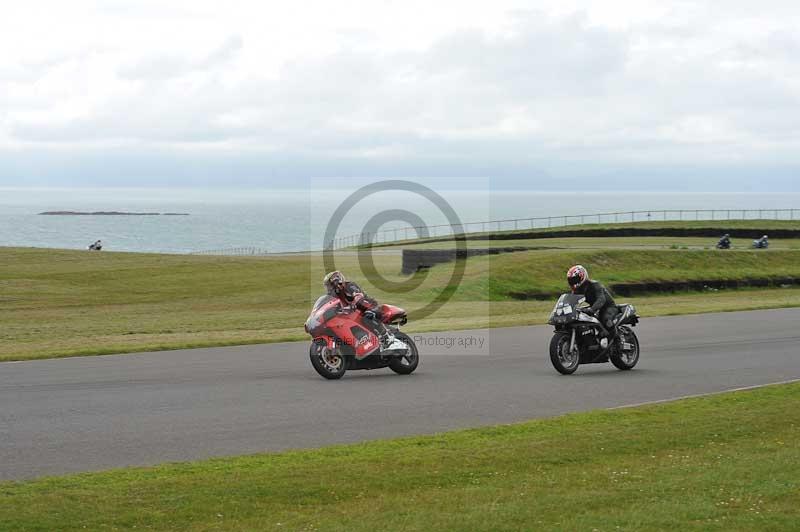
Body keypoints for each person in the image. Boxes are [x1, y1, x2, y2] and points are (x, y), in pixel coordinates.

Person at [323, 271, 405, 350]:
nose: (329, 288)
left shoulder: (349, 285)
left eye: (329, 285)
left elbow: (358, 296)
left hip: (368, 306)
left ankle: (387, 337)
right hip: (354, 312)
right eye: (327, 286)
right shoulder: (335, 296)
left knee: (367, 316)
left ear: (337, 282)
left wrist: (353, 304)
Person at [567, 264, 618, 338]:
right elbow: (571, 301)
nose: (573, 282)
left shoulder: (595, 285)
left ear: (582, 276)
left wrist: (591, 309)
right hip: (594, 308)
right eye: (571, 280)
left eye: (575, 279)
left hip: (608, 307)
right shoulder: (577, 290)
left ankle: (616, 340)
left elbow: (601, 299)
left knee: (607, 321)